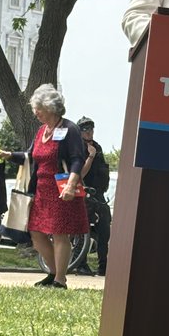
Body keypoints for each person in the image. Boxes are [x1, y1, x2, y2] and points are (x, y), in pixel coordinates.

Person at [0, 84, 88, 289]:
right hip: (41, 190)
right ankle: (54, 272)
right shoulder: (41, 131)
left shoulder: (69, 129)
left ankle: (60, 280)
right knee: (36, 234)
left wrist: (71, 185)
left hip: (62, 188)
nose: (35, 112)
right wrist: (11, 155)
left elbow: (77, 159)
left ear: (50, 108)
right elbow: (31, 156)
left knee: (59, 233)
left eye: (38, 108)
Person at [73, 116, 111, 277]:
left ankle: (103, 266)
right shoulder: (78, 148)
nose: (90, 132)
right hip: (84, 193)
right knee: (83, 230)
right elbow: (80, 173)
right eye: (86, 130)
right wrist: (90, 156)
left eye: (91, 129)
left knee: (104, 228)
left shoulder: (97, 147)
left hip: (99, 194)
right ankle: (80, 264)